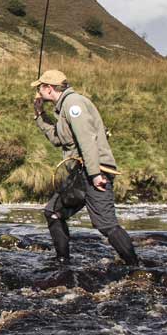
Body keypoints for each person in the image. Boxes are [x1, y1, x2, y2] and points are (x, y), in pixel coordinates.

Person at [31, 69, 140, 267]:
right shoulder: (64, 106)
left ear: (48, 88)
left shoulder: (74, 105)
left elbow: (87, 141)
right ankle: (62, 262)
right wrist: (40, 115)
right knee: (54, 212)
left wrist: (95, 174)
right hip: (81, 173)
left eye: (40, 87)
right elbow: (58, 139)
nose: (38, 91)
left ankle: (135, 266)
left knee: (105, 224)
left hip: (93, 171)